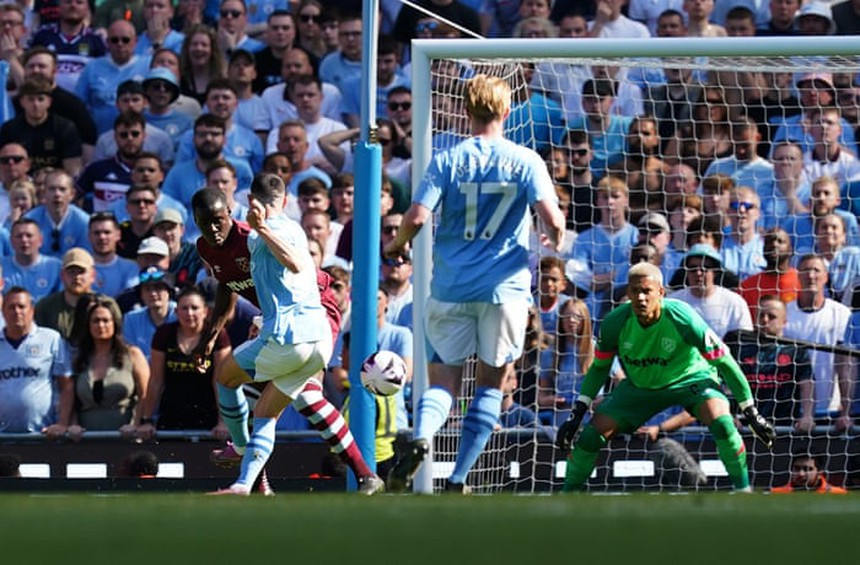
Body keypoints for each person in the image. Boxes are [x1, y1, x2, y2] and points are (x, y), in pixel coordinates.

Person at [383, 74, 565, 493]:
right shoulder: (525, 160)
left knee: (444, 381)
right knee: (489, 383)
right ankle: (460, 478)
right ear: (506, 112)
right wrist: (552, 238)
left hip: (450, 287)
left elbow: (416, 217)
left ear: (466, 111)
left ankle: (423, 436)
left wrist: (396, 245)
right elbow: (553, 221)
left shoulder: (447, 160)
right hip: (504, 290)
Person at [193, 181, 384, 496]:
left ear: (231, 212)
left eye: (218, 220)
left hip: (313, 312)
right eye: (205, 223)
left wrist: (271, 322)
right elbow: (227, 285)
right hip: (279, 321)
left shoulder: (251, 237)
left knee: (298, 396)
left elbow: (295, 267)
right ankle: (361, 475)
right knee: (286, 402)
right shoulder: (206, 247)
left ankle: (244, 458)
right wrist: (210, 338)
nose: (213, 229)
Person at [557, 262, 775, 492]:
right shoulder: (614, 322)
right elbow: (600, 369)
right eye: (635, 291)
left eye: (647, 291)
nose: (641, 297)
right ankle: (567, 497)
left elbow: (724, 361)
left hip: (690, 379)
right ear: (628, 292)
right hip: (641, 387)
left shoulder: (683, 317)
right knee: (590, 438)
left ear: (660, 292)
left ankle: (742, 489)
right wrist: (577, 413)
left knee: (722, 421)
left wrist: (750, 411)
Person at [136, 285, 230, 436]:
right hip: (171, 415)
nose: (189, 313)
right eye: (184, 308)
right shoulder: (164, 334)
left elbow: (220, 382)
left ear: (205, 311)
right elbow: (156, 381)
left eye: (194, 308)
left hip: (209, 417)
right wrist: (147, 420)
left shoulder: (217, 335)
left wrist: (223, 422)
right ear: (176, 311)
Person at [57, 296, 150, 441]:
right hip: (85, 440)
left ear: (115, 323)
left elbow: (145, 394)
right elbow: (70, 398)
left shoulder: (133, 355)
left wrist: (136, 424)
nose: (101, 325)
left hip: (126, 438)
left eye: (106, 320)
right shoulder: (79, 358)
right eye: (95, 321)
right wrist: (73, 424)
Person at [724, 295, 814, 433]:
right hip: (745, 429)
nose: (765, 320)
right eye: (761, 315)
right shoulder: (740, 349)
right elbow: (727, 385)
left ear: (784, 321)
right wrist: (729, 415)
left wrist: (807, 416)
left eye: (771, 316)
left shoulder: (795, 350)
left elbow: (806, 385)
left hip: (784, 429)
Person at [0, 286, 71, 434]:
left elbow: (67, 386)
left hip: (43, 435)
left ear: (32, 310)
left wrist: (62, 424)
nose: (17, 311)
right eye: (11, 307)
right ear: (3, 311)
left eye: (22, 306)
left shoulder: (51, 339)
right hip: (3, 438)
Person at [771, 453, 848, 493]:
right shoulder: (777, 493)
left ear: (819, 473)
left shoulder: (839, 494)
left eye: (807, 469)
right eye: (797, 468)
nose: (801, 474)